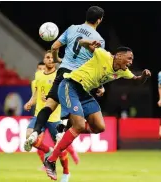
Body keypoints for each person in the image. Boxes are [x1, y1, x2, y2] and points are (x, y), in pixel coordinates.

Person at [44, 40, 151, 180]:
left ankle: (68, 126)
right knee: (80, 125)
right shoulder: (103, 55)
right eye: (129, 58)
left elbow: (136, 79)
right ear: (118, 56)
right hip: (70, 86)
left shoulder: (123, 71)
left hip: (84, 93)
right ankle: (51, 160)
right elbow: (81, 42)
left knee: (100, 127)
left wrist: (144, 76)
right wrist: (88, 42)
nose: (131, 62)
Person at [26, 6, 105, 147]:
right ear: (99, 20)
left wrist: (56, 59)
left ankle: (35, 131)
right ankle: (63, 129)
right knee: (77, 110)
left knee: (49, 105)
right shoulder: (99, 40)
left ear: (86, 16)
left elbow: (54, 47)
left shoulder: (72, 28)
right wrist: (100, 85)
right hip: (79, 78)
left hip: (62, 71)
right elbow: (97, 67)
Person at [24, 50, 78, 182]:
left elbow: (64, 93)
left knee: (60, 147)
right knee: (28, 137)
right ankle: (48, 151)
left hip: (55, 117)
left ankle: (66, 173)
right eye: (47, 57)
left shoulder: (60, 75)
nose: (49, 59)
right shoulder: (38, 75)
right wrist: (31, 101)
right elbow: (36, 92)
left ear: (54, 60)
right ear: (44, 59)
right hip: (39, 114)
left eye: (51, 57)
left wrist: (51, 97)